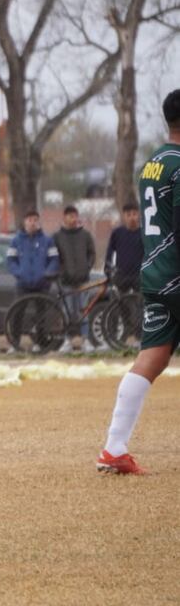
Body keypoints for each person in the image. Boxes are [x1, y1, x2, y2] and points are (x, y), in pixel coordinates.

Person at [97, 89, 180, 475]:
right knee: (152, 357)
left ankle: (114, 448)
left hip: (155, 274)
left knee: (153, 356)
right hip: (176, 275)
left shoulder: (152, 163)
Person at [52, 205, 97, 352]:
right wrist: (61, 271)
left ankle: (85, 340)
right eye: (70, 216)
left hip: (83, 280)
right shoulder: (57, 237)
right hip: (65, 281)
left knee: (84, 311)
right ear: (64, 218)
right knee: (67, 312)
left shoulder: (85, 235)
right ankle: (67, 340)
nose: (73, 219)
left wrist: (87, 267)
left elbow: (91, 254)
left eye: (75, 216)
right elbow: (54, 257)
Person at [7, 210, 60, 294]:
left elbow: (54, 259)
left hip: (43, 285)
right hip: (22, 284)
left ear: (39, 222)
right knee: (18, 307)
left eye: (35, 220)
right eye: (30, 220)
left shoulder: (48, 240)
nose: (33, 223)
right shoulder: (15, 241)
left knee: (43, 307)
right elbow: (11, 260)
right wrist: (19, 273)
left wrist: (47, 274)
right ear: (24, 222)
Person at [104, 202, 142, 293]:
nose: (132, 218)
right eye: (128, 215)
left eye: (134, 214)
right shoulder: (117, 233)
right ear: (124, 216)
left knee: (140, 304)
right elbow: (109, 253)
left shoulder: (144, 234)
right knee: (120, 303)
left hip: (139, 276)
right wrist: (108, 269)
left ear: (139, 215)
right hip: (122, 275)